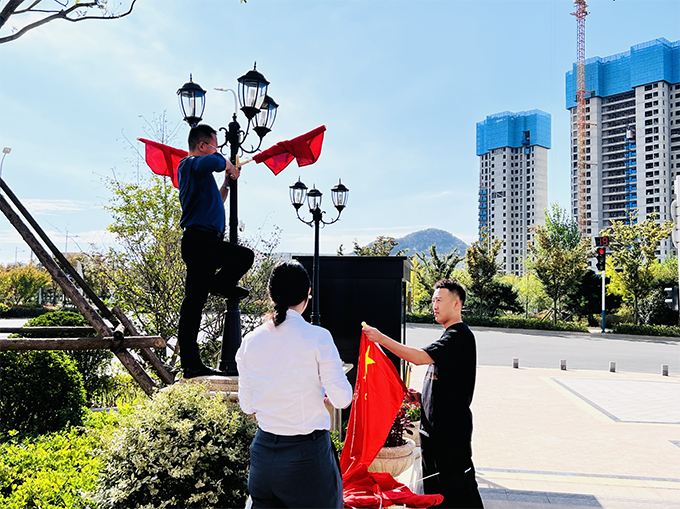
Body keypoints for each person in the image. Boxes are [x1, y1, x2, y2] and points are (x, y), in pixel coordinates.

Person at [236, 261, 353, 509]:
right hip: (307, 457)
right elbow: (342, 399)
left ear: (270, 294)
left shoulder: (249, 341)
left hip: (263, 455)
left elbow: (247, 406)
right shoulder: (318, 337)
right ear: (307, 295)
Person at [363, 279, 484, 508]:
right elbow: (448, 383)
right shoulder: (448, 336)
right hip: (434, 435)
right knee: (435, 496)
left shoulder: (459, 336)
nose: (434, 305)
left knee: (461, 495)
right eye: (433, 300)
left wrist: (380, 338)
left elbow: (418, 358)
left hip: (450, 438)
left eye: (439, 300)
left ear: (457, 303)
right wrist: (422, 398)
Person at [177, 124, 254, 379]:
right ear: (202, 146)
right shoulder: (190, 164)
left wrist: (226, 184)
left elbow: (215, 203)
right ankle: (219, 285)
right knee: (243, 257)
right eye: (215, 146)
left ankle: (191, 364)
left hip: (205, 241)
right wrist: (228, 164)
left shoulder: (200, 176)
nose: (218, 151)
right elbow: (214, 162)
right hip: (200, 241)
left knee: (194, 304)